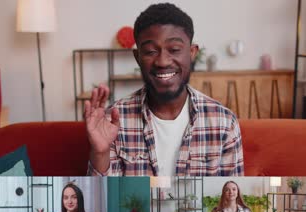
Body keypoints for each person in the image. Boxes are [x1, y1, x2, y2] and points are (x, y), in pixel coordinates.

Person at [84, 3, 243, 176]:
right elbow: (106, 199)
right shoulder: (113, 120)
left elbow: (229, 190)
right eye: (151, 51)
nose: (163, 61)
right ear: (138, 57)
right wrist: (100, 153)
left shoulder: (224, 122)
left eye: (174, 49)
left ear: (192, 52)